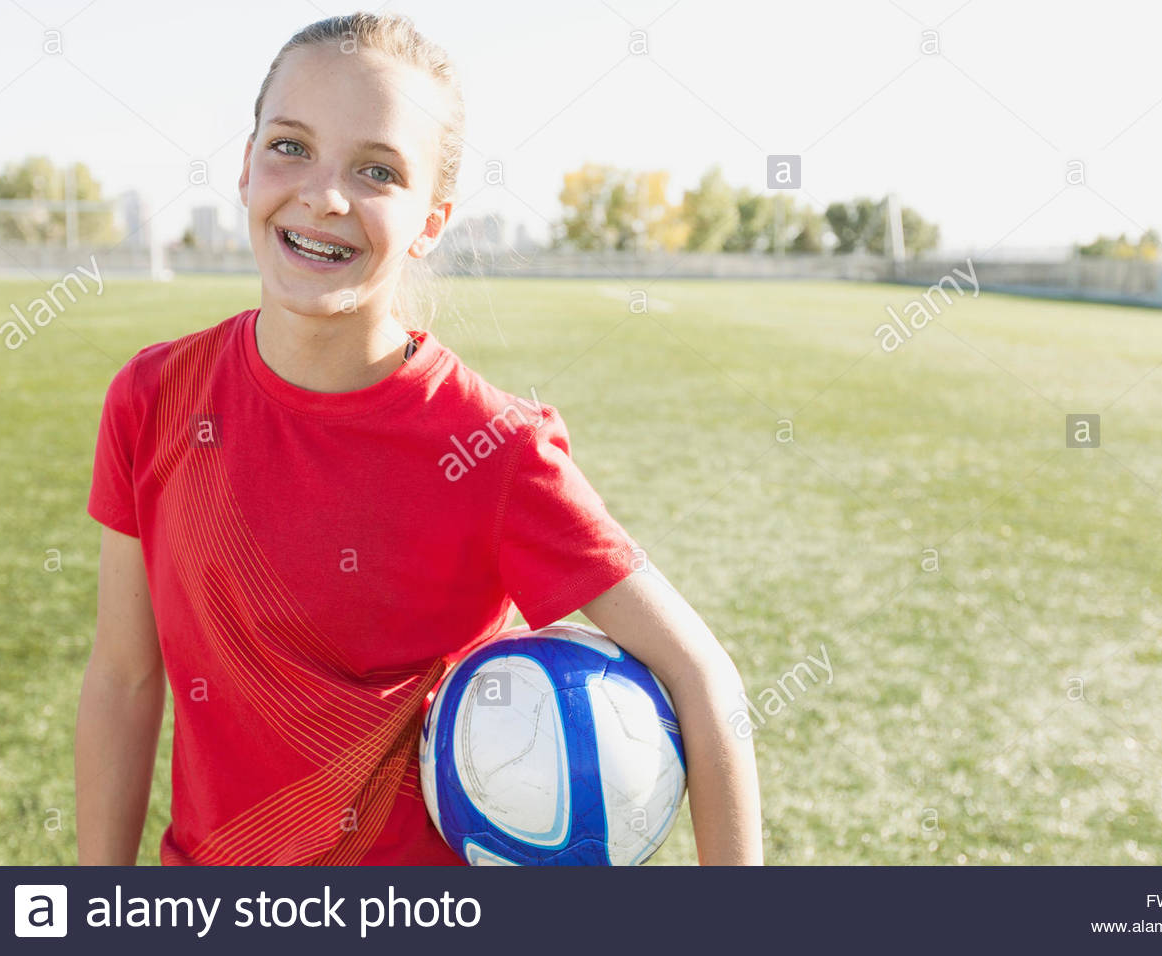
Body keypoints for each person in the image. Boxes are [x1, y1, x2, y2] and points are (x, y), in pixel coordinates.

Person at [75, 11, 762, 866]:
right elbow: (123, 678)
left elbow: (705, 679)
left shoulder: (492, 448)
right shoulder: (154, 398)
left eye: (377, 170)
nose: (325, 196)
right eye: (290, 146)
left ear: (432, 222)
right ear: (246, 166)